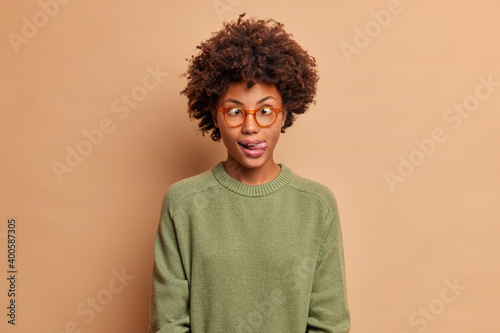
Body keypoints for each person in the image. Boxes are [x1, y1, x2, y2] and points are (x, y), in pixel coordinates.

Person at [149, 13, 350, 332]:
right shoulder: (183, 204)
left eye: (266, 111)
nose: (251, 127)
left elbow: (329, 323)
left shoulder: (317, 205)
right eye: (234, 112)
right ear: (214, 116)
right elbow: (169, 322)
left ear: (285, 115)